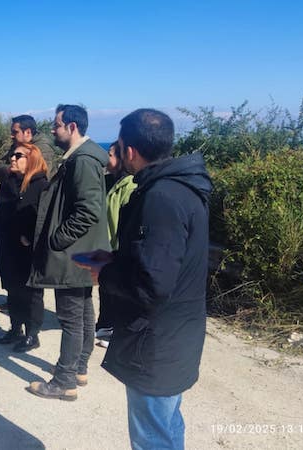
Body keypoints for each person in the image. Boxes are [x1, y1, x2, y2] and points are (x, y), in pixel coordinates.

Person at [76, 109, 211, 450]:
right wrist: (117, 259)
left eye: (119, 147)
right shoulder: (183, 187)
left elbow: (153, 284)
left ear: (130, 151)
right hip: (176, 334)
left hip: (156, 342)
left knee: (151, 436)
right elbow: (165, 260)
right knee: (166, 425)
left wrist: (105, 272)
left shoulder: (160, 197)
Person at [25, 104, 109, 401]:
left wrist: (58, 239)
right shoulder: (82, 158)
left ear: (72, 127)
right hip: (86, 251)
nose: (52, 129)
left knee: (71, 317)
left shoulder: (82, 161)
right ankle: (78, 369)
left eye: (56, 124)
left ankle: (64, 381)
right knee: (83, 311)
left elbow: (88, 210)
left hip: (75, 253)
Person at [0, 142, 49, 352]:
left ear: (31, 160)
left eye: (18, 156)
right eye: (12, 155)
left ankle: (32, 334)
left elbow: (46, 220)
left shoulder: (42, 185)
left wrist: (30, 238)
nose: (12, 159)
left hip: (29, 251)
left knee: (31, 293)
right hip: (8, 245)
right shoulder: (9, 182)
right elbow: (0, 213)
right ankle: (15, 328)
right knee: (12, 289)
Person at [95, 141, 137, 347]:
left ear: (122, 159)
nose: (106, 158)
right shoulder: (108, 180)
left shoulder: (130, 185)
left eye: (110, 155)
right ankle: (104, 325)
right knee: (105, 287)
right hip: (105, 244)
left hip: (118, 246)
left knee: (118, 291)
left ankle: (114, 330)